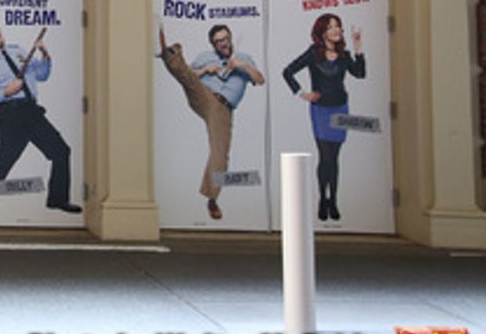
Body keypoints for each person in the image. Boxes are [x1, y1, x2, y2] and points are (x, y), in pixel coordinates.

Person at [0, 13, 81, 215]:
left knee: (61, 152)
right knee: (3, 166)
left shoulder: (18, 51)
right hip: (10, 116)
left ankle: (58, 199)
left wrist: (45, 55)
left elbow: (42, 75)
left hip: (32, 112)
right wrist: (6, 91)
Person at [157, 24, 265, 220]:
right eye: (217, 42)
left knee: (220, 155)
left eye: (224, 39)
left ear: (230, 38)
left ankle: (212, 199)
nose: (222, 44)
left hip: (223, 109)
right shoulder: (206, 57)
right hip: (204, 96)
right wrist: (206, 70)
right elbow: (190, 75)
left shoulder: (244, 58)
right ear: (213, 45)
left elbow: (260, 79)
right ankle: (171, 55)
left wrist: (241, 65)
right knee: (188, 77)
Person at [282, 12, 366, 222]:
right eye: (330, 27)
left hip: (340, 108)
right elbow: (288, 71)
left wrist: (358, 47)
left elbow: (360, 73)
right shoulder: (314, 53)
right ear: (322, 32)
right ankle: (322, 198)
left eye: (338, 26)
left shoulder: (345, 55)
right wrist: (302, 93)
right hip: (320, 110)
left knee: (334, 158)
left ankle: (334, 200)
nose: (336, 30)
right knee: (325, 156)